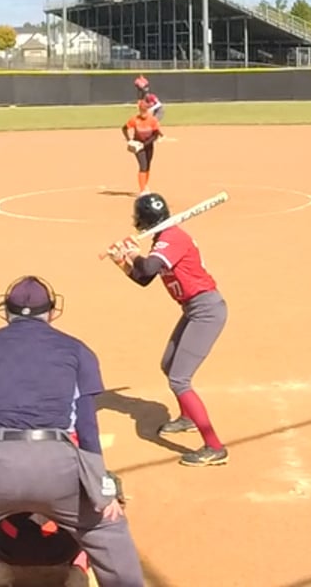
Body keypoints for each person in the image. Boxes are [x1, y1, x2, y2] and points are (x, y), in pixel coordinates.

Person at [0, 276, 145, 587]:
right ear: (52, 311)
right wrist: (102, 490)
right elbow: (88, 429)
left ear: (5, 310)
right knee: (109, 529)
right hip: (60, 466)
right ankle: (79, 567)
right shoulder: (78, 352)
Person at [107, 193, 229, 467]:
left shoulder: (172, 238)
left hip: (206, 310)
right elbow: (144, 277)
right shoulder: (162, 239)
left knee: (179, 379)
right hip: (193, 309)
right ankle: (188, 418)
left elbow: (149, 265)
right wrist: (122, 261)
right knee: (169, 364)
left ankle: (214, 447)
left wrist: (133, 253)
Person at [121, 98, 162, 194]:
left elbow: (155, 135)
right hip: (138, 146)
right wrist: (129, 140)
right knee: (143, 166)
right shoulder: (134, 120)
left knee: (148, 165)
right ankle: (142, 190)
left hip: (148, 145)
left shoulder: (152, 120)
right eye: (142, 111)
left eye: (145, 110)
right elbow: (124, 128)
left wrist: (144, 144)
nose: (143, 113)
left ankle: (145, 185)